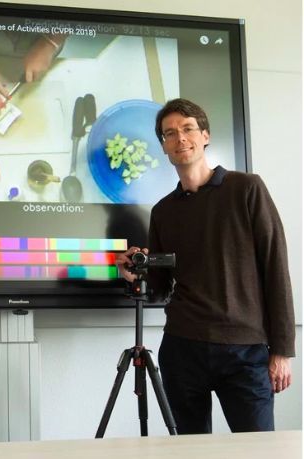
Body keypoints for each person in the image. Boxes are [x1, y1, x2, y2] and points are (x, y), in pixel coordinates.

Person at [116, 98, 295, 434]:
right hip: (182, 349)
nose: (180, 138)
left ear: (205, 135)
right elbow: (158, 288)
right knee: (190, 451)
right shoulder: (163, 211)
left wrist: (282, 351)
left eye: (188, 129)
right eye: (170, 133)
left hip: (245, 351)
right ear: (164, 146)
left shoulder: (246, 188)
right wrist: (132, 275)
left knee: (258, 451)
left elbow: (276, 268)